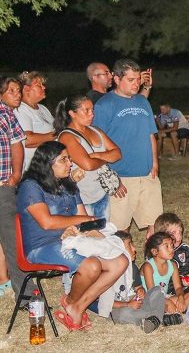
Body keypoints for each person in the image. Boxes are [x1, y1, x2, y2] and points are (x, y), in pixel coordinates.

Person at [17, 141, 128, 330]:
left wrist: (99, 234)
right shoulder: (31, 186)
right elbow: (47, 222)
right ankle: (71, 302)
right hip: (41, 246)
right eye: (64, 159)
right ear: (47, 164)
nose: (70, 163)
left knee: (120, 261)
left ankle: (77, 306)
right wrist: (79, 221)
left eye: (69, 158)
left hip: (72, 239)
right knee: (92, 266)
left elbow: (83, 220)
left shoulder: (68, 185)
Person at [93, 58, 163, 237]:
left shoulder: (142, 101)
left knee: (155, 223)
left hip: (147, 173)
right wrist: (110, 178)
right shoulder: (104, 105)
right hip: (121, 175)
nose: (136, 83)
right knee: (121, 228)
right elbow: (96, 144)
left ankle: (153, 262)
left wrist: (154, 163)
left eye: (138, 79)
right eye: (131, 80)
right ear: (116, 79)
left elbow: (150, 134)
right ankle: (124, 263)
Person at [55, 96, 122, 220]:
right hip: (82, 199)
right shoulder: (67, 136)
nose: (91, 114)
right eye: (86, 110)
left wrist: (97, 155)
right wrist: (107, 157)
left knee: (104, 233)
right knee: (86, 236)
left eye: (92, 110)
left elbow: (117, 153)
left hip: (101, 194)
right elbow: (88, 165)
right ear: (72, 113)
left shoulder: (96, 130)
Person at [0, 76, 33, 300]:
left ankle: (25, 293)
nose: (18, 94)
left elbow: (17, 143)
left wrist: (17, 174)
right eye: (12, 90)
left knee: (13, 238)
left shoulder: (8, 115)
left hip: (4, 187)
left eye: (18, 90)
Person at [109, 231, 165, 333]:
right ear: (117, 250)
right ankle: (159, 318)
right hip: (121, 307)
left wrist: (141, 290)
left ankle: (154, 318)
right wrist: (127, 304)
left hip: (137, 304)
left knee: (157, 290)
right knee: (121, 314)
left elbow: (138, 287)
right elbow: (104, 303)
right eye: (129, 245)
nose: (134, 249)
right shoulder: (107, 272)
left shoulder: (132, 268)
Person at [153, 213, 189, 294]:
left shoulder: (185, 249)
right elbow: (161, 280)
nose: (179, 237)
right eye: (173, 233)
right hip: (172, 292)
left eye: (180, 232)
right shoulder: (159, 255)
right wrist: (180, 281)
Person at [14, 71, 55, 172]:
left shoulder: (43, 108)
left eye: (43, 85)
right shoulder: (20, 109)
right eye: (39, 85)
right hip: (33, 169)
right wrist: (56, 135)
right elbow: (27, 140)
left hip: (47, 166)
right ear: (26, 89)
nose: (44, 87)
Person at [140, 232, 188, 315]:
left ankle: (170, 311)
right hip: (149, 299)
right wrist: (168, 302)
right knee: (163, 304)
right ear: (155, 251)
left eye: (172, 245)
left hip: (164, 297)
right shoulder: (148, 267)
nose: (172, 249)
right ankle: (168, 312)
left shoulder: (173, 265)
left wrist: (180, 297)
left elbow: (178, 287)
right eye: (167, 246)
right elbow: (152, 293)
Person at [86, 62, 153, 102]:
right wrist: (136, 83)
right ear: (94, 78)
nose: (111, 76)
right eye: (106, 73)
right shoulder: (93, 99)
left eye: (110, 73)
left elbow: (138, 103)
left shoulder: (108, 96)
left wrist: (146, 86)